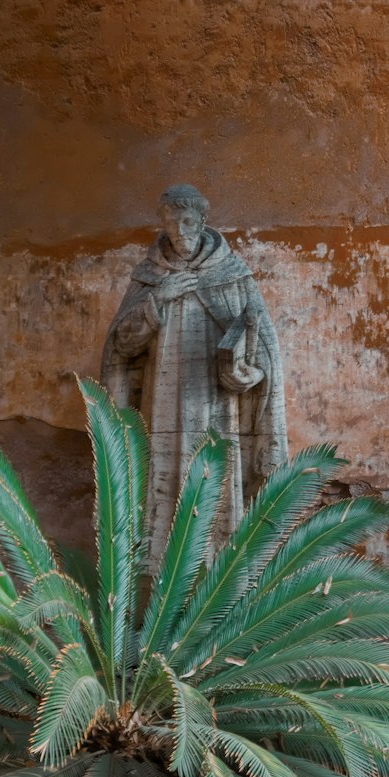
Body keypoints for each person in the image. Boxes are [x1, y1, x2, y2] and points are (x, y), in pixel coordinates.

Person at [101, 183, 288, 571]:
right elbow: (121, 347)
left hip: (219, 408)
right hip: (161, 407)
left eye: (188, 222)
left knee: (216, 490)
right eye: (172, 223)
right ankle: (162, 581)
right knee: (163, 491)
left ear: (203, 221)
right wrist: (158, 300)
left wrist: (248, 374)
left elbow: (265, 346)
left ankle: (218, 582)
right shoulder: (150, 277)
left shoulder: (233, 275)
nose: (181, 231)